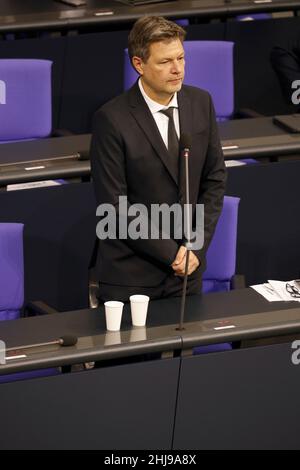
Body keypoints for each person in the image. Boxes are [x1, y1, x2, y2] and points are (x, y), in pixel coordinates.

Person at [90, 16, 226, 303]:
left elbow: (214, 180)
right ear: (139, 65)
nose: (177, 69)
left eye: (181, 58)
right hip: (133, 276)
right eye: (165, 62)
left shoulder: (201, 103)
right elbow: (115, 206)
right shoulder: (112, 120)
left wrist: (193, 248)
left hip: (187, 272)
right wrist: (172, 253)